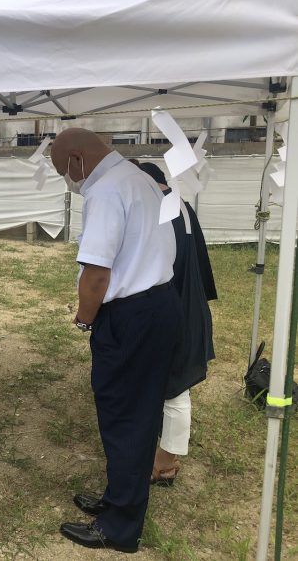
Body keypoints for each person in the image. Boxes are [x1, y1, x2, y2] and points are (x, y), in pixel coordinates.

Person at [50, 129, 181, 553]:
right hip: (157, 305)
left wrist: (85, 320)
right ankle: (118, 499)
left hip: (130, 315)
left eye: (63, 172)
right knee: (136, 412)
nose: (69, 182)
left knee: (124, 415)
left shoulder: (106, 190)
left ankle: (120, 526)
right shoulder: (138, 177)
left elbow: (97, 274)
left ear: (75, 159)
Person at [134, 161, 216, 486]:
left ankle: (166, 464)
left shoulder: (164, 210)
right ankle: (163, 453)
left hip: (176, 306)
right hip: (188, 301)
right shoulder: (181, 207)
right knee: (170, 383)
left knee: (176, 387)